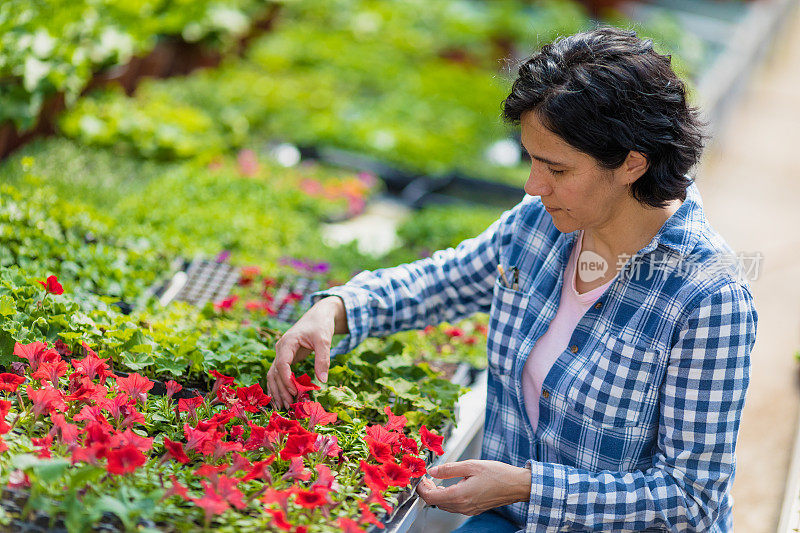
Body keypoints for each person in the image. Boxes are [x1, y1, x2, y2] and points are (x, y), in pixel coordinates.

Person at [266, 27, 758, 532]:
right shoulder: (540, 225)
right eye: (531, 159)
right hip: (511, 518)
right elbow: (444, 281)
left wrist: (528, 486)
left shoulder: (707, 298)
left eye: (556, 168)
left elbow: (689, 497)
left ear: (632, 162)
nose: (533, 185)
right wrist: (338, 308)